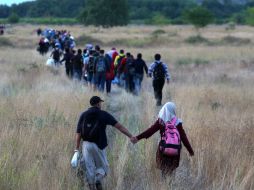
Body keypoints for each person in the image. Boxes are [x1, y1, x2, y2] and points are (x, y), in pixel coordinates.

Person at [74, 96, 134, 190]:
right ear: (98, 104)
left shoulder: (83, 114)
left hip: (86, 145)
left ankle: (91, 187)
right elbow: (119, 126)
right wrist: (130, 136)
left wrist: (77, 149)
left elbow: (78, 133)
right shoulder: (103, 114)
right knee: (103, 167)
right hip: (99, 145)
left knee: (89, 168)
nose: (101, 104)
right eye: (100, 103)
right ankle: (98, 179)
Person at [131, 102, 194, 176]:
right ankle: (170, 185)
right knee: (171, 172)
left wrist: (137, 138)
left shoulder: (161, 121)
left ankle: (164, 185)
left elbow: (149, 131)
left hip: (164, 149)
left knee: (164, 172)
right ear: (173, 110)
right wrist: (190, 151)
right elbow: (184, 138)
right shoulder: (177, 122)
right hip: (175, 150)